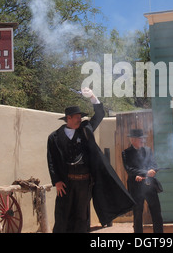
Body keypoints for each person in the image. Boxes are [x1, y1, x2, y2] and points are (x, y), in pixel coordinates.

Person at [46, 87, 134, 233]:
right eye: (76, 117)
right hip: (66, 183)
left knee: (82, 217)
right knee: (63, 215)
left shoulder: (86, 129)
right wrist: (56, 181)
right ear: (68, 118)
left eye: (80, 116)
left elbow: (99, 114)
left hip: (84, 183)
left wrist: (93, 97)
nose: (80, 119)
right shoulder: (54, 137)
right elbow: (51, 160)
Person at [122, 129, 164, 233]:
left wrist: (152, 171)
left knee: (157, 213)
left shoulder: (148, 150)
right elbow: (129, 169)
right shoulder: (126, 153)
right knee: (137, 215)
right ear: (132, 140)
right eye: (140, 138)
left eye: (142, 138)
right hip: (135, 187)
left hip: (150, 186)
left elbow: (154, 165)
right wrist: (145, 173)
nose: (142, 140)